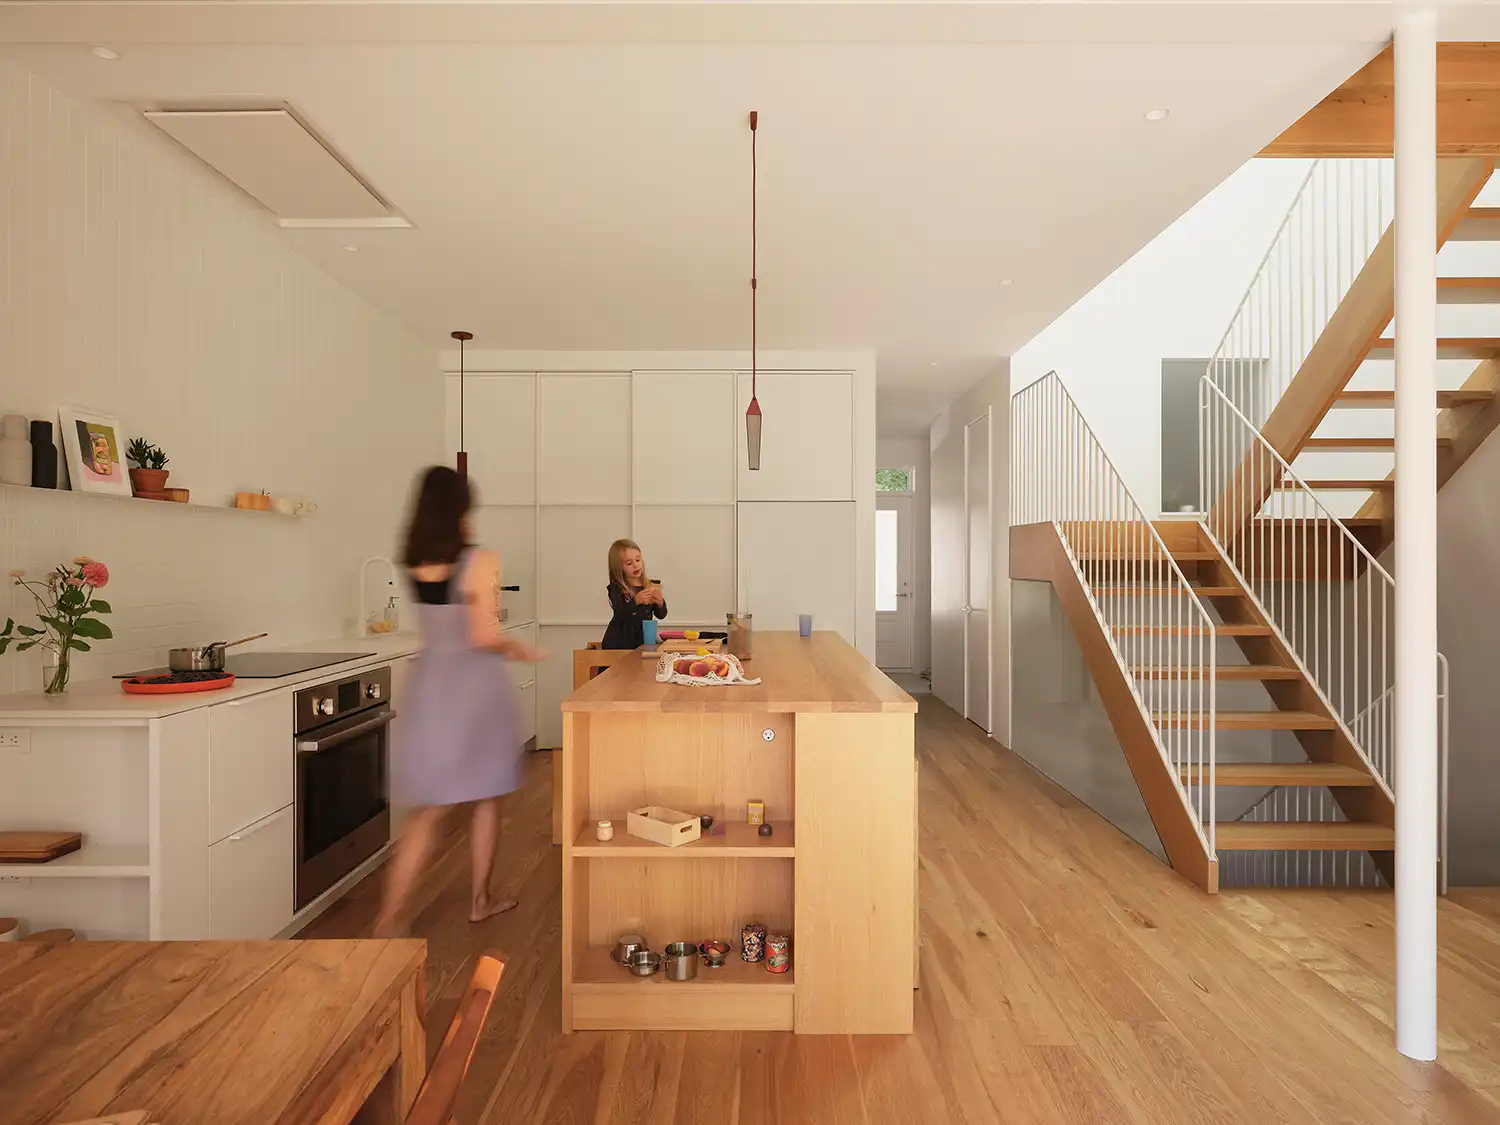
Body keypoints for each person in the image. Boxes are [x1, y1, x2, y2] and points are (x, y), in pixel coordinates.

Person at [376, 466, 546, 936]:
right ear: (460, 509)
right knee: (487, 798)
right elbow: (482, 635)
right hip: (474, 693)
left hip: (431, 688)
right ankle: (479, 900)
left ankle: (388, 920)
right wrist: (521, 648)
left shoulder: (413, 562)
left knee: (427, 811)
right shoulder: (480, 559)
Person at [601, 537, 667, 649]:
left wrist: (660, 603)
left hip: (642, 642)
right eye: (629, 563)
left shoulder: (648, 585)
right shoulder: (616, 588)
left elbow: (661, 615)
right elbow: (620, 613)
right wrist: (636, 601)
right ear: (619, 567)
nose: (636, 565)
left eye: (638, 560)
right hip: (619, 644)